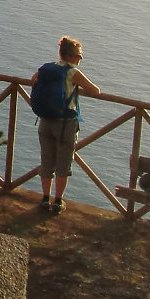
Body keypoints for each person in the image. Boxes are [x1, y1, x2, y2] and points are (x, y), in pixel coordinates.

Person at [31, 36, 100, 214]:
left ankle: (45, 199)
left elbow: (33, 79)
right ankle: (57, 202)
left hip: (45, 121)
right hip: (65, 125)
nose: (80, 59)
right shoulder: (73, 72)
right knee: (63, 164)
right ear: (70, 56)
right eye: (79, 56)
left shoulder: (46, 68)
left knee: (46, 161)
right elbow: (95, 91)